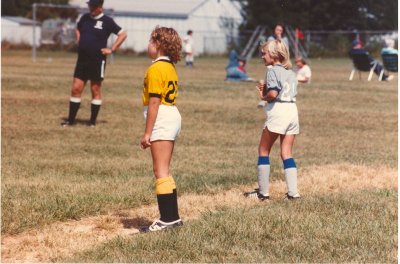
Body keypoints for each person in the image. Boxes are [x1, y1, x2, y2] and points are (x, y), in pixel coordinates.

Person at [139, 26, 183, 232]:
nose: (148, 45)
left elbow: (154, 103)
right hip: (170, 114)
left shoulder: (156, 68)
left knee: (160, 170)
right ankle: (172, 217)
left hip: (162, 116)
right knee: (163, 169)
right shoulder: (170, 66)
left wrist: (147, 132)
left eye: (150, 41)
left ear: (158, 44)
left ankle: (168, 220)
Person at [244, 39, 300, 201]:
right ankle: (293, 194)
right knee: (286, 153)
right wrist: (267, 90)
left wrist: (264, 96)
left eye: (264, 53)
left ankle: (263, 193)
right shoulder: (291, 72)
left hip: (279, 112)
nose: (262, 56)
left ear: (274, 55)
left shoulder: (272, 71)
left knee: (263, 150)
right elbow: (283, 90)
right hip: (292, 111)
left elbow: (274, 95)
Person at [61, 0, 127, 127]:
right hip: (82, 60)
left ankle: (92, 122)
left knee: (95, 89)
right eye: (90, 5)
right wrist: (79, 39)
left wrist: (112, 49)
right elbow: (78, 28)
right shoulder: (85, 18)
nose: (90, 8)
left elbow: (122, 34)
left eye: (93, 6)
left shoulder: (107, 21)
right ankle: (71, 120)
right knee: (76, 88)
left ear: (100, 8)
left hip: (97, 60)